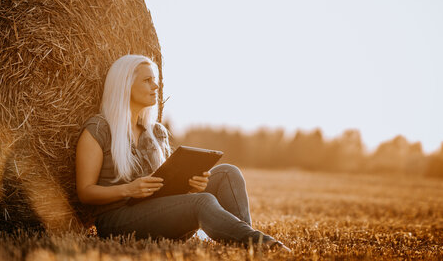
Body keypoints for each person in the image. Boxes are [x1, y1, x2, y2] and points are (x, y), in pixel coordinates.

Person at [75, 54, 289, 251]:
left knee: (227, 173)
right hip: (117, 219)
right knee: (202, 202)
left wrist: (191, 185)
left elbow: (169, 186)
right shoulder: (99, 129)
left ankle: (242, 241)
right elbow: (85, 192)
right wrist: (129, 189)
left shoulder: (156, 132)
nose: (156, 86)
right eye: (147, 80)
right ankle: (263, 244)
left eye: (155, 80)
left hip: (155, 210)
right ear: (125, 86)